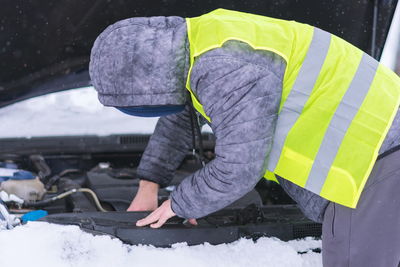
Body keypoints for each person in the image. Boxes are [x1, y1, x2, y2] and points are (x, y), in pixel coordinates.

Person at [89, 9, 400, 266]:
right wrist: (150, 183)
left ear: (148, 78)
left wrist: (179, 205)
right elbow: (183, 119)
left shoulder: (223, 66)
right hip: (375, 150)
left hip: (373, 159)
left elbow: (238, 167)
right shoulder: (201, 42)